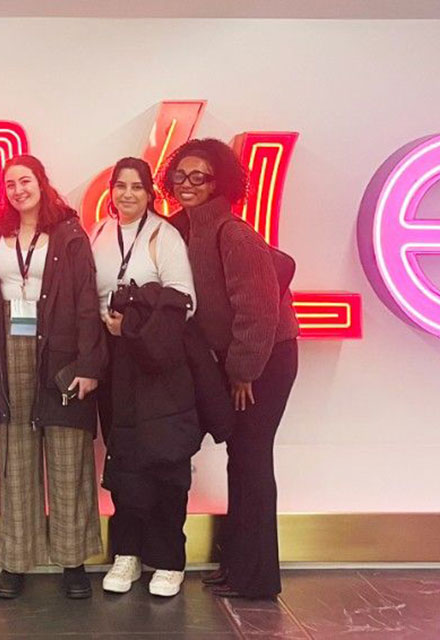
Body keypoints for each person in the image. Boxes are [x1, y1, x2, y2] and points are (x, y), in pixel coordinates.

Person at [160, 138, 299, 599]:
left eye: (198, 176)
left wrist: (242, 372)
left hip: (265, 361)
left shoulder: (232, 232)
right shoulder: (186, 229)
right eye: (180, 176)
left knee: (253, 461)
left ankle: (256, 578)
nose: (187, 184)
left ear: (220, 181)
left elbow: (258, 312)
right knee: (241, 461)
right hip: (240, 361)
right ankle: (238, 566)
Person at [0, 154, 106, 600]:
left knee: (68, 457)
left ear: (41, 182)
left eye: (25, 180)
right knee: (16, 455)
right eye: (10, 183)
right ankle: (15, 561)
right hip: (10, 349)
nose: (18, 189)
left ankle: (73, 561)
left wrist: (90, 365)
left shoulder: (69, 233)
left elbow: (88, 299)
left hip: (63, 352)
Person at [90, 157, 198, 598]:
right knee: (123, 460)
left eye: (137, 187)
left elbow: (186, 302)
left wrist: (131, 323)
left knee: (165, 461)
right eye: (120, 186)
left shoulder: (164, 236)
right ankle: (127, 554)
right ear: (111, 191)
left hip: (156, 366)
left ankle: (169, 559)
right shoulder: (97, 232)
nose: (127, 194)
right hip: (112, 361)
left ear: (150, 193)